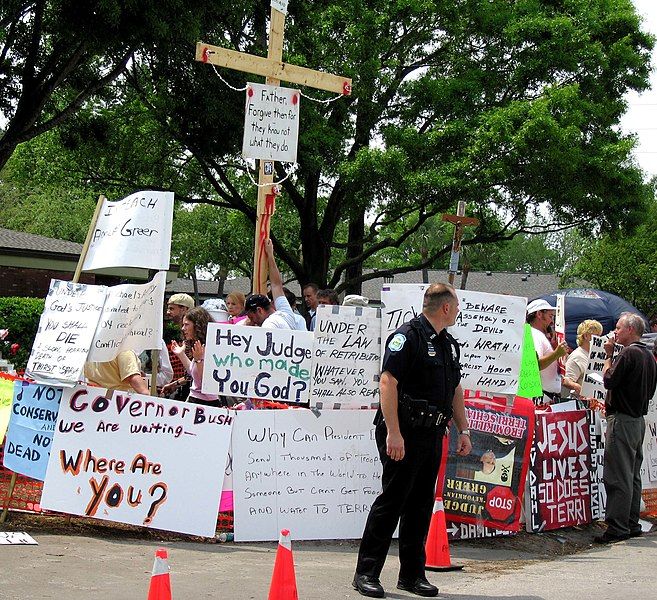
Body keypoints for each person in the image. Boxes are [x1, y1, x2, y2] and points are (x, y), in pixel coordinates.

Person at [353, 283, 471, 599]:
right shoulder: (408, 337)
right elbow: (387, 381)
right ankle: (366, 573)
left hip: (432, 433)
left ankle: (411, 575)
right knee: (392, 502)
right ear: (445, 307)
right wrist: (393, 432)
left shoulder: (447, 345)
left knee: (420, 506)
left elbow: (455, 389)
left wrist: (464, 429)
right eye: (456, 306)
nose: (458, 311)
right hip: (403, 432)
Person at [595, 313, 657, 543]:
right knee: (632, 474)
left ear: (631, 329)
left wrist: (609, 356)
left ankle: (617, 526)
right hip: (638, 420)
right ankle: (631, 522)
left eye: (619, 328)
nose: (615, 331)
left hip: (622, 419)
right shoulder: (648, 355)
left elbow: (609, 379)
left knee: (618, 475)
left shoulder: (629, 353)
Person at [170, 307, 221, 408]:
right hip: (196, 401)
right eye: (183, 325)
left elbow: (207, 384)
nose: (183, 328)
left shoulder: (209, 349)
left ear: (197, 326)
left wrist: (198, 360)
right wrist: (181, 354)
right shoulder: (200, 347)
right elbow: (194, 372)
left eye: (186, 325)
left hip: (205, 404)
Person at [244, 239, 297, 330]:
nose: (252, 322)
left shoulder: (269, 325)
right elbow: (276, 285)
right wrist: (270, 255)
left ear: (259, 310)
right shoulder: (285, 312)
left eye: (252, 317)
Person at [526, 299, 569, 403]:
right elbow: (535, 365)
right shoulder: (534, 334)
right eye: (550, 316)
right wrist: (556, 354)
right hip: (542, 397)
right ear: (539, 314)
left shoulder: (537, 335)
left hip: (545, 396)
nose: (552, 322)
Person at [561, 319, 603, 397]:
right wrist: (577, 387)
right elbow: (566, 381)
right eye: (596, 335)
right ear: (586, 336)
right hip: (582, 403)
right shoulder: (577, 357)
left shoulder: (595, 356)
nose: (599, 339)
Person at [84, 350, 149, 394]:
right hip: (121, 402)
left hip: (96, 398)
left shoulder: (91, 352)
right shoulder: (124, 351)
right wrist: (147, 395)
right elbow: (133, 377)